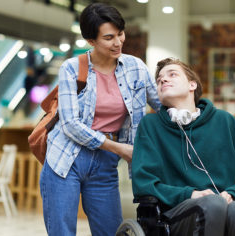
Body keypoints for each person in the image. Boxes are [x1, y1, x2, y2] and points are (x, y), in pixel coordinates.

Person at [39, 3, 161, 236]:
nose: (118, 42)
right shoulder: (72, 69)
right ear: (91, 41)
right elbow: (70, 124)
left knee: (110, 231)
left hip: (105, 162)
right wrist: (120, 149)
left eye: (120, 34)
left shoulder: (135, 67)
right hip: (66, 159)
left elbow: (159, 104)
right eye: (108, 37)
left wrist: (189, 106)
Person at [132, 58, 235, 236]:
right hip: (174, 215)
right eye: (159, 80)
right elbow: (143, 184)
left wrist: (232, 194)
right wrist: (190, 194)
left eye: (172, 74)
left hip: (225, 205)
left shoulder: (225, 121)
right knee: (213, 203)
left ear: (192, 85)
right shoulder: (150, 125)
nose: (163, 80)